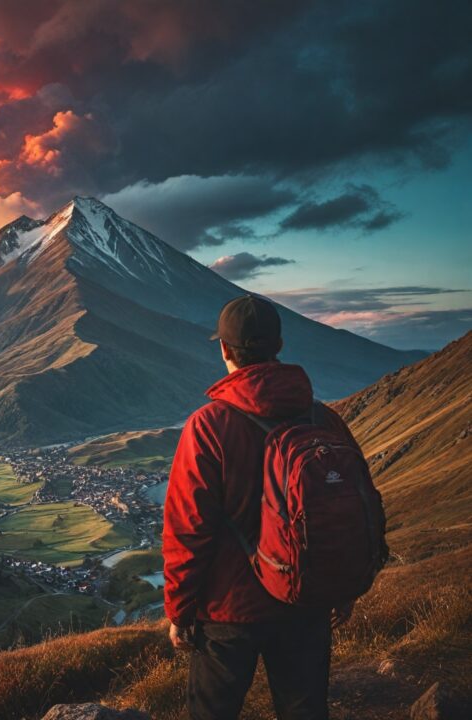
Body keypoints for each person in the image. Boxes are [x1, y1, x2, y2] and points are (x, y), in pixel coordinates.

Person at [162, 294, 360, 720]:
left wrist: (179, 610)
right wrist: (341, 587)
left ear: (225, 350)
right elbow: (350, 506)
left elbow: (187, 529)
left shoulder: (208, 426)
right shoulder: (322, 419)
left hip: (228, 612)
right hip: (306, 598)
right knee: (305, 711)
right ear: (279, 346)